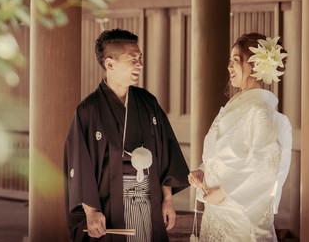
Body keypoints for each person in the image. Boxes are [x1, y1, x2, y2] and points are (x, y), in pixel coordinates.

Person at [64, 28, 189, 242]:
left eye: (140, 58)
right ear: (110, 64)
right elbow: (79, 165)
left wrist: (167, 199)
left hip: (149, 198)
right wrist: (91, 211)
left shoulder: (147, 102)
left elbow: (165, 153)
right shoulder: (88, 109)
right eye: (133, 59)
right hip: (109, 203)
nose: (140, 64)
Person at [188, 32, 292, 242]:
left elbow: (264, 167)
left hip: (241, 217)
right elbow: (222, 156)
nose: (229, 67)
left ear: (254, 66)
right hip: (217, 210)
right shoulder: (235, 107)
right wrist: (202, 171)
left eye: (236, 61)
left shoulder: (261, 111)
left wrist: (225, 191)